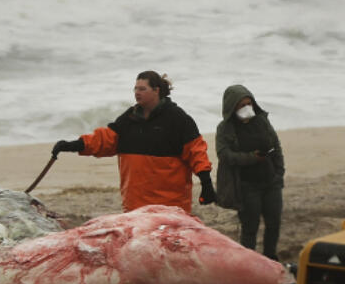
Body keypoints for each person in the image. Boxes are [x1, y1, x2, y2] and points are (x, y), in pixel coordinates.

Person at [51, 71, 214, 213]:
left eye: (142, 89)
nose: (137, 92)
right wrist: (72, 145)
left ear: (156, 91)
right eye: (135, 88)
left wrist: (206, 183)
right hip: (135, 206)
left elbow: (196, 152)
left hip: (170, 206)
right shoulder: (129, 118)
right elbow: (105, 140)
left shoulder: (178, 119)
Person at [215, 84, 284, 260]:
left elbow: (276, 146)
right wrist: (252, 157)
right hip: (246, 186)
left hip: (270, 182)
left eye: (249, 103)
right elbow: (225, 155)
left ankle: (271, 257)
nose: (246, 108)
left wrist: (279, 173)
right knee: (250, 227)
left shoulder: (262, 121)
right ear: (232, 107)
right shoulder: (225, 128)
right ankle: (249, 262)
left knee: (273, 223)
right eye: (242, 105)